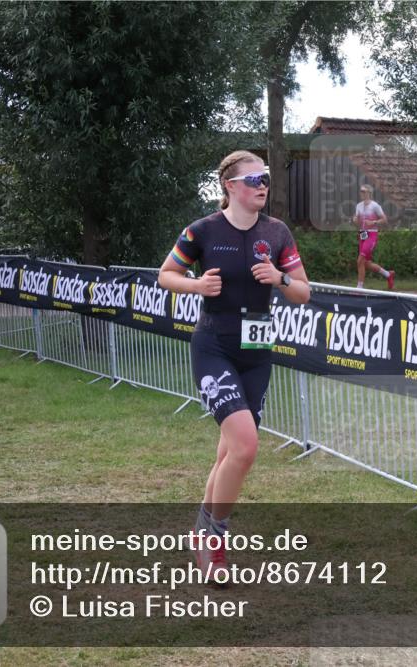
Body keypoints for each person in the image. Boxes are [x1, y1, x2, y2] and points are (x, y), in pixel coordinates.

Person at [158, 150, 310, 576]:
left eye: (265, 178)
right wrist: (196, 284)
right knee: (244, 446)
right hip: (214, 346)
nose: (263, 185)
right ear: (230, 186)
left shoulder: (276, 233)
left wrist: (279, 279)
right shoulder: (202, 230)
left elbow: (303, 291)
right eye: (254, 179)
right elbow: (165, 275)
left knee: (229, 451)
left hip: (257, 353)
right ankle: (215, 540)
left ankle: (201, 533)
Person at [354, 185, 394, 290]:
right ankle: (388, 275)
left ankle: (359, 288)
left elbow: (384, 219)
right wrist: (355, 219)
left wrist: (373, 222)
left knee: (360, 261)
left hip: (371, 235)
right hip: (363, 234)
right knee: (366, 264)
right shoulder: (358, 206)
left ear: (369, 193)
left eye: (364, 191)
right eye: (360, 191)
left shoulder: (375, 206)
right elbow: (358, 221)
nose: (361, 193)